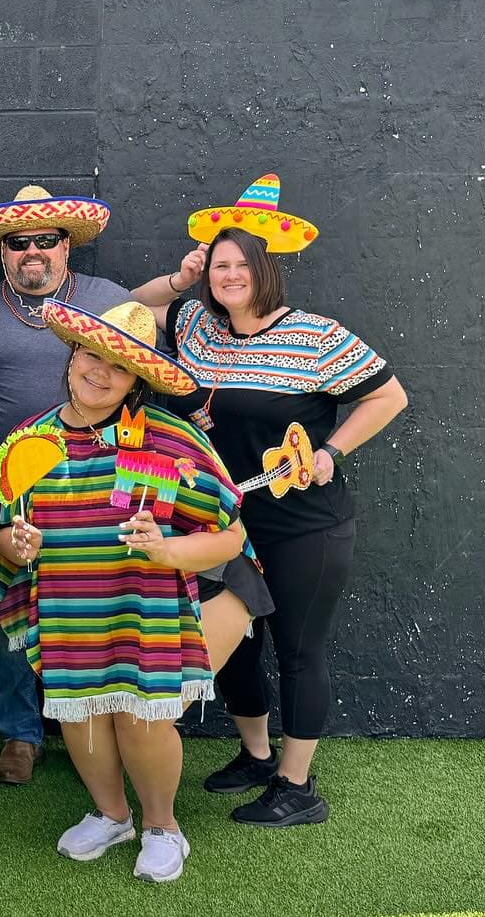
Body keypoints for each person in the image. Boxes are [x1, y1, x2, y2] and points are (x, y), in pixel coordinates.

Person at [156, 176, 407, 826]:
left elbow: (388, 396)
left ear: (265, 268)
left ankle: (299, 787)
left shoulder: (316, 336)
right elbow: (131, 313)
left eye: (240, 264)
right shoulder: (195, 325)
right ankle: (259, 755)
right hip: (225, 522)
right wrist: (180, 281)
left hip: (304, 526)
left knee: (297, 649)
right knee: (236, 642)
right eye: (219, 265)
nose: (228, 275)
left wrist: (332, 452)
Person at [0, 184, 206, 786]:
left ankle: (98, 722)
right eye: (18, 243)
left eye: (45, 240)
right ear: (3, 252)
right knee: (4, 608)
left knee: (95, 604)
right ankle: (19, 732)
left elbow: (145, 367)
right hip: (8, 489)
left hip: (101, 487)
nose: (32, 252)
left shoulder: (106, 300)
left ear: (67, 246)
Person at [0, 299, 250, 882]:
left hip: (145, 608)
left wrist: (168, 550)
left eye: (118, 366)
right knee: (81, 718)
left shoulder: (170, 440)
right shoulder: (28, 441)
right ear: (70, 357)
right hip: (66, 607)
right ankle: (112, 815)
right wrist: (17, 544)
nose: (99, 372)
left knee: (140, 719)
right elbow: (2, 532)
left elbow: (231, 536)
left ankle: (163, 827)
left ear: (137, 380)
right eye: (89, 355)